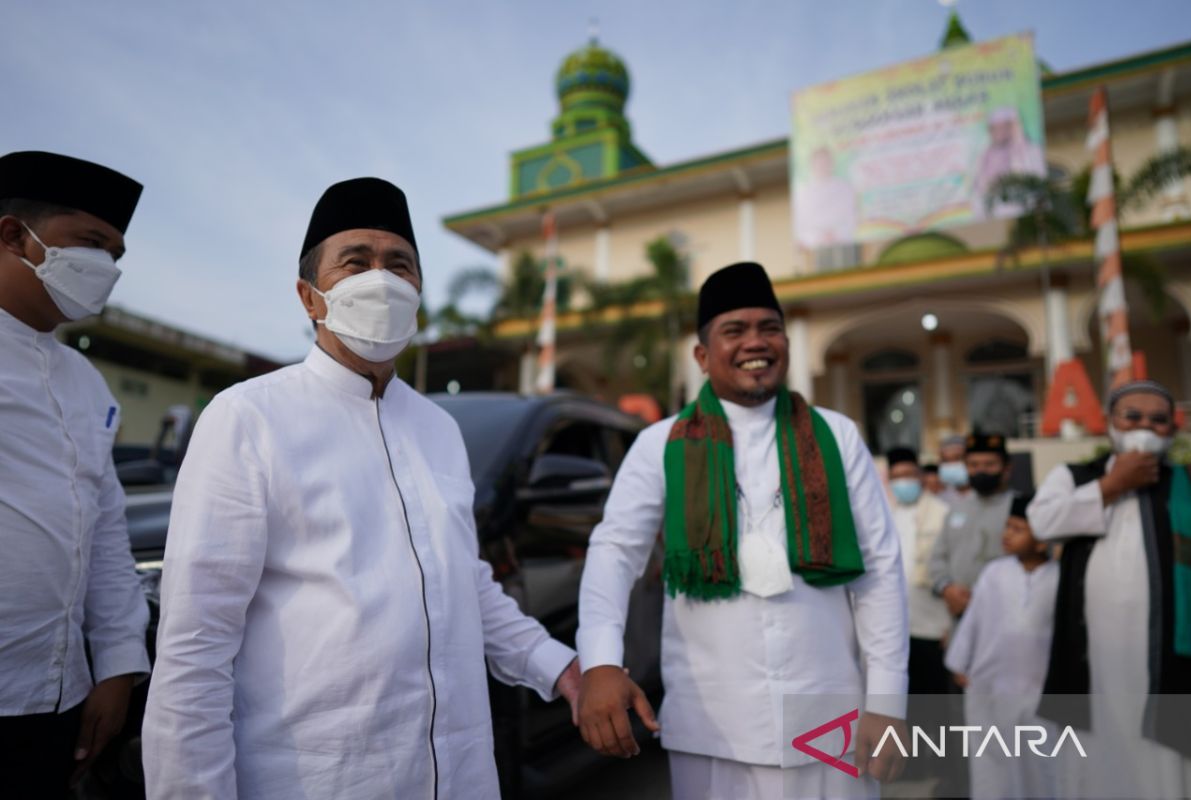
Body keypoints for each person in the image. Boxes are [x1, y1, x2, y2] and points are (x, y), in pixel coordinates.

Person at [142, 177, 580, 799]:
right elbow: (195, 647)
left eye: (399, 264)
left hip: (459, 777)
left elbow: (464, 584)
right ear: (310, 296)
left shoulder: (438, 430)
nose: (382, 278)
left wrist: (559, 668)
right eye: (356, 262)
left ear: (418, 292)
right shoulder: (248, 418)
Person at [576, 261, 908, 799]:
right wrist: (600, 663)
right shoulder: (660, 444)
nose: (756, 342)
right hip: (714, 730)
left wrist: (888, 700)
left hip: (831, 722)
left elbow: (880, 572)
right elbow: (614, 553)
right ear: (703, 356)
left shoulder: (838, 437)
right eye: (735, 330)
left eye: (769, 328)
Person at [0, 150, 150, 797]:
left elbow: (106, 532)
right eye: (90, 244)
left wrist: (117, 665)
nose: (106, 268)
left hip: (58, 699)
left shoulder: (84, 381)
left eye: (115, 253)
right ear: (12, 235)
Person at [1029, 380, 1191, 798]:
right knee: (1098, 756)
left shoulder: (1188, 485)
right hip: (1094, 658)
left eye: (1158, 419)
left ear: (1172, 431)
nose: (1145, 425)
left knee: (1170, 761)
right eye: (1133, 416)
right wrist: (1111, 486)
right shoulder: (1074, 476)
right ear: (1110, 424)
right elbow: (1042, 522)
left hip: (1167, 656)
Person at [944, 495, 1059, 800]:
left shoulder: (1059, 578)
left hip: (1039, 691)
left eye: (1017, 529)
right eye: (1007, 527)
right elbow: (975, 620)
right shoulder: (994, 573)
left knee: (1043, 767)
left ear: (1041, 541)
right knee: (993, 767)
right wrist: (961, 662)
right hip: (991, 686)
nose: (1006, 534)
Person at [885, 447, 952, 696]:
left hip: (933, 624)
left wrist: (949, 625)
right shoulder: (884, 513)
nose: (904, 481)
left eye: (909, 474)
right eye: (898, 476)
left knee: (936, 700)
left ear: (921, 476)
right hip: (895, 626)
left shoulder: (942, 511)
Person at [928, 432, 1015, 619]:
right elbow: (938, 558)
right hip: (960, 615)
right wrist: (947, 588)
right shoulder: (956, 508)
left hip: (1006, 613)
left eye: (989, 465)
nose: (980, 471)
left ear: (1006, 469)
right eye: (974, 465)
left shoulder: (1019, 509)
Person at [970, 106, 1046, 219]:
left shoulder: (1030, 150)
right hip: (991, 215)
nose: (1001, 131)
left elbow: (1035, 180)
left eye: (1006, 126)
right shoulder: (985, 156)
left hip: (1023, 211)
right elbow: (978, 189)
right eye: (996, 128)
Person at [793, 146, 858, 249]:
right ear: (812, 165)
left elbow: (852, 218)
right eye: (819, 162)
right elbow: (800, 226)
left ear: (832, 164)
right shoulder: (803, 193)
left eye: (825, 162)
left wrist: (837, 234)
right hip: (813, 247)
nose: (822, 165)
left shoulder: (845, 189)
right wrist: (817, 238)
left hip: (843, 244)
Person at [935, 434, 970, 508]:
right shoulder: (939, 500)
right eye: (946, 460)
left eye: (957, 458)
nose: (952, 465)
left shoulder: (985, 495)